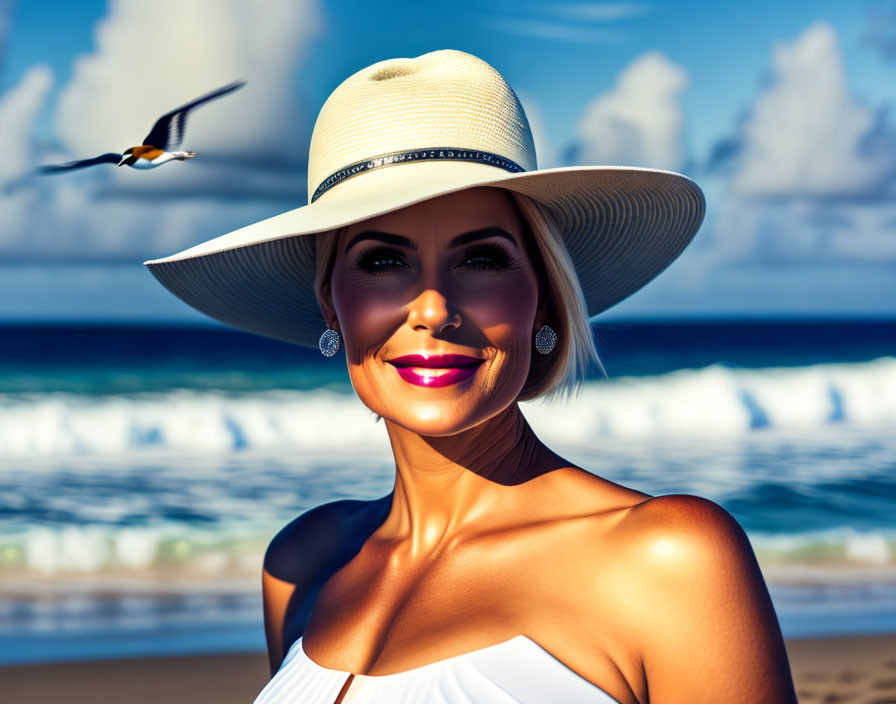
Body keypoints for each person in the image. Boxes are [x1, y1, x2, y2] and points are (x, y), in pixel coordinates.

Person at [145, 49, 797, 703]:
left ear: (540, 294)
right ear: (331, 304)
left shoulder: (668, 559)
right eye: (382, 262)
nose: (432, 309)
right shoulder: (302, 562)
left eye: (482, 258)